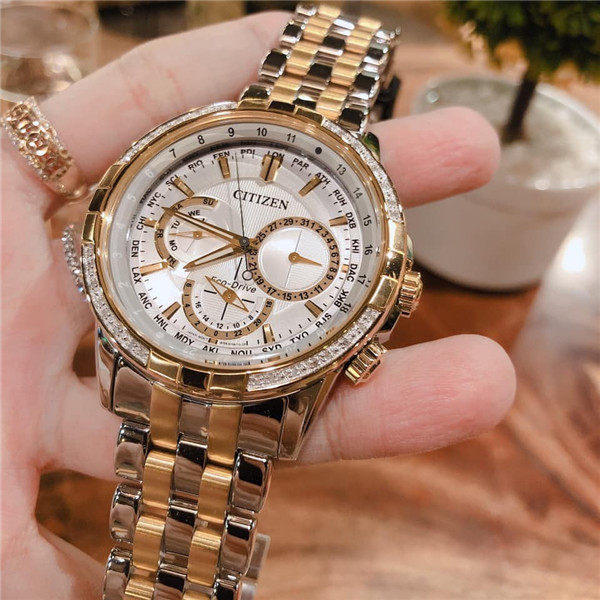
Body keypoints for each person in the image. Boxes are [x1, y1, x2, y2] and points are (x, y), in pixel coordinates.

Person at [0, 12, 515, 599]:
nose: (249, 247)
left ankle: (198, 566)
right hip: (145, 348)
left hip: (260, 379)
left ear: (390, 292)